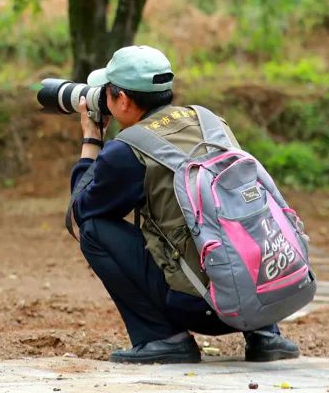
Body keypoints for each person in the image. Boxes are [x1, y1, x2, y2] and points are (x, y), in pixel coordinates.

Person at [69, 45, 302, 364]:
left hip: (204, 306)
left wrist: (91, 139)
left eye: (106, 93)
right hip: (267, 292)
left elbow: (81, 211)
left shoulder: (127, 150)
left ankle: (163, 339)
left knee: (95, 231)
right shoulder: (209, 121)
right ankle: (265, 335)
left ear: (122, 100)